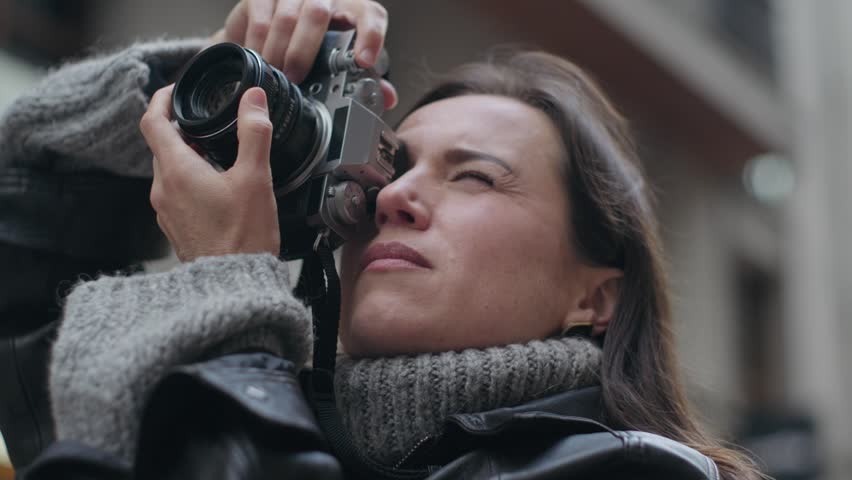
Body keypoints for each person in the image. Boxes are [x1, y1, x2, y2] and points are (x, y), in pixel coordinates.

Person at [0, 1, 762, 479]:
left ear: (596, 296)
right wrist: (192, 88)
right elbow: (21, 236)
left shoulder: (634, 471)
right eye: (392, 167)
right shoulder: (254, 402)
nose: (393, 197)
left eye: (474, 177)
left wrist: (227, 289)